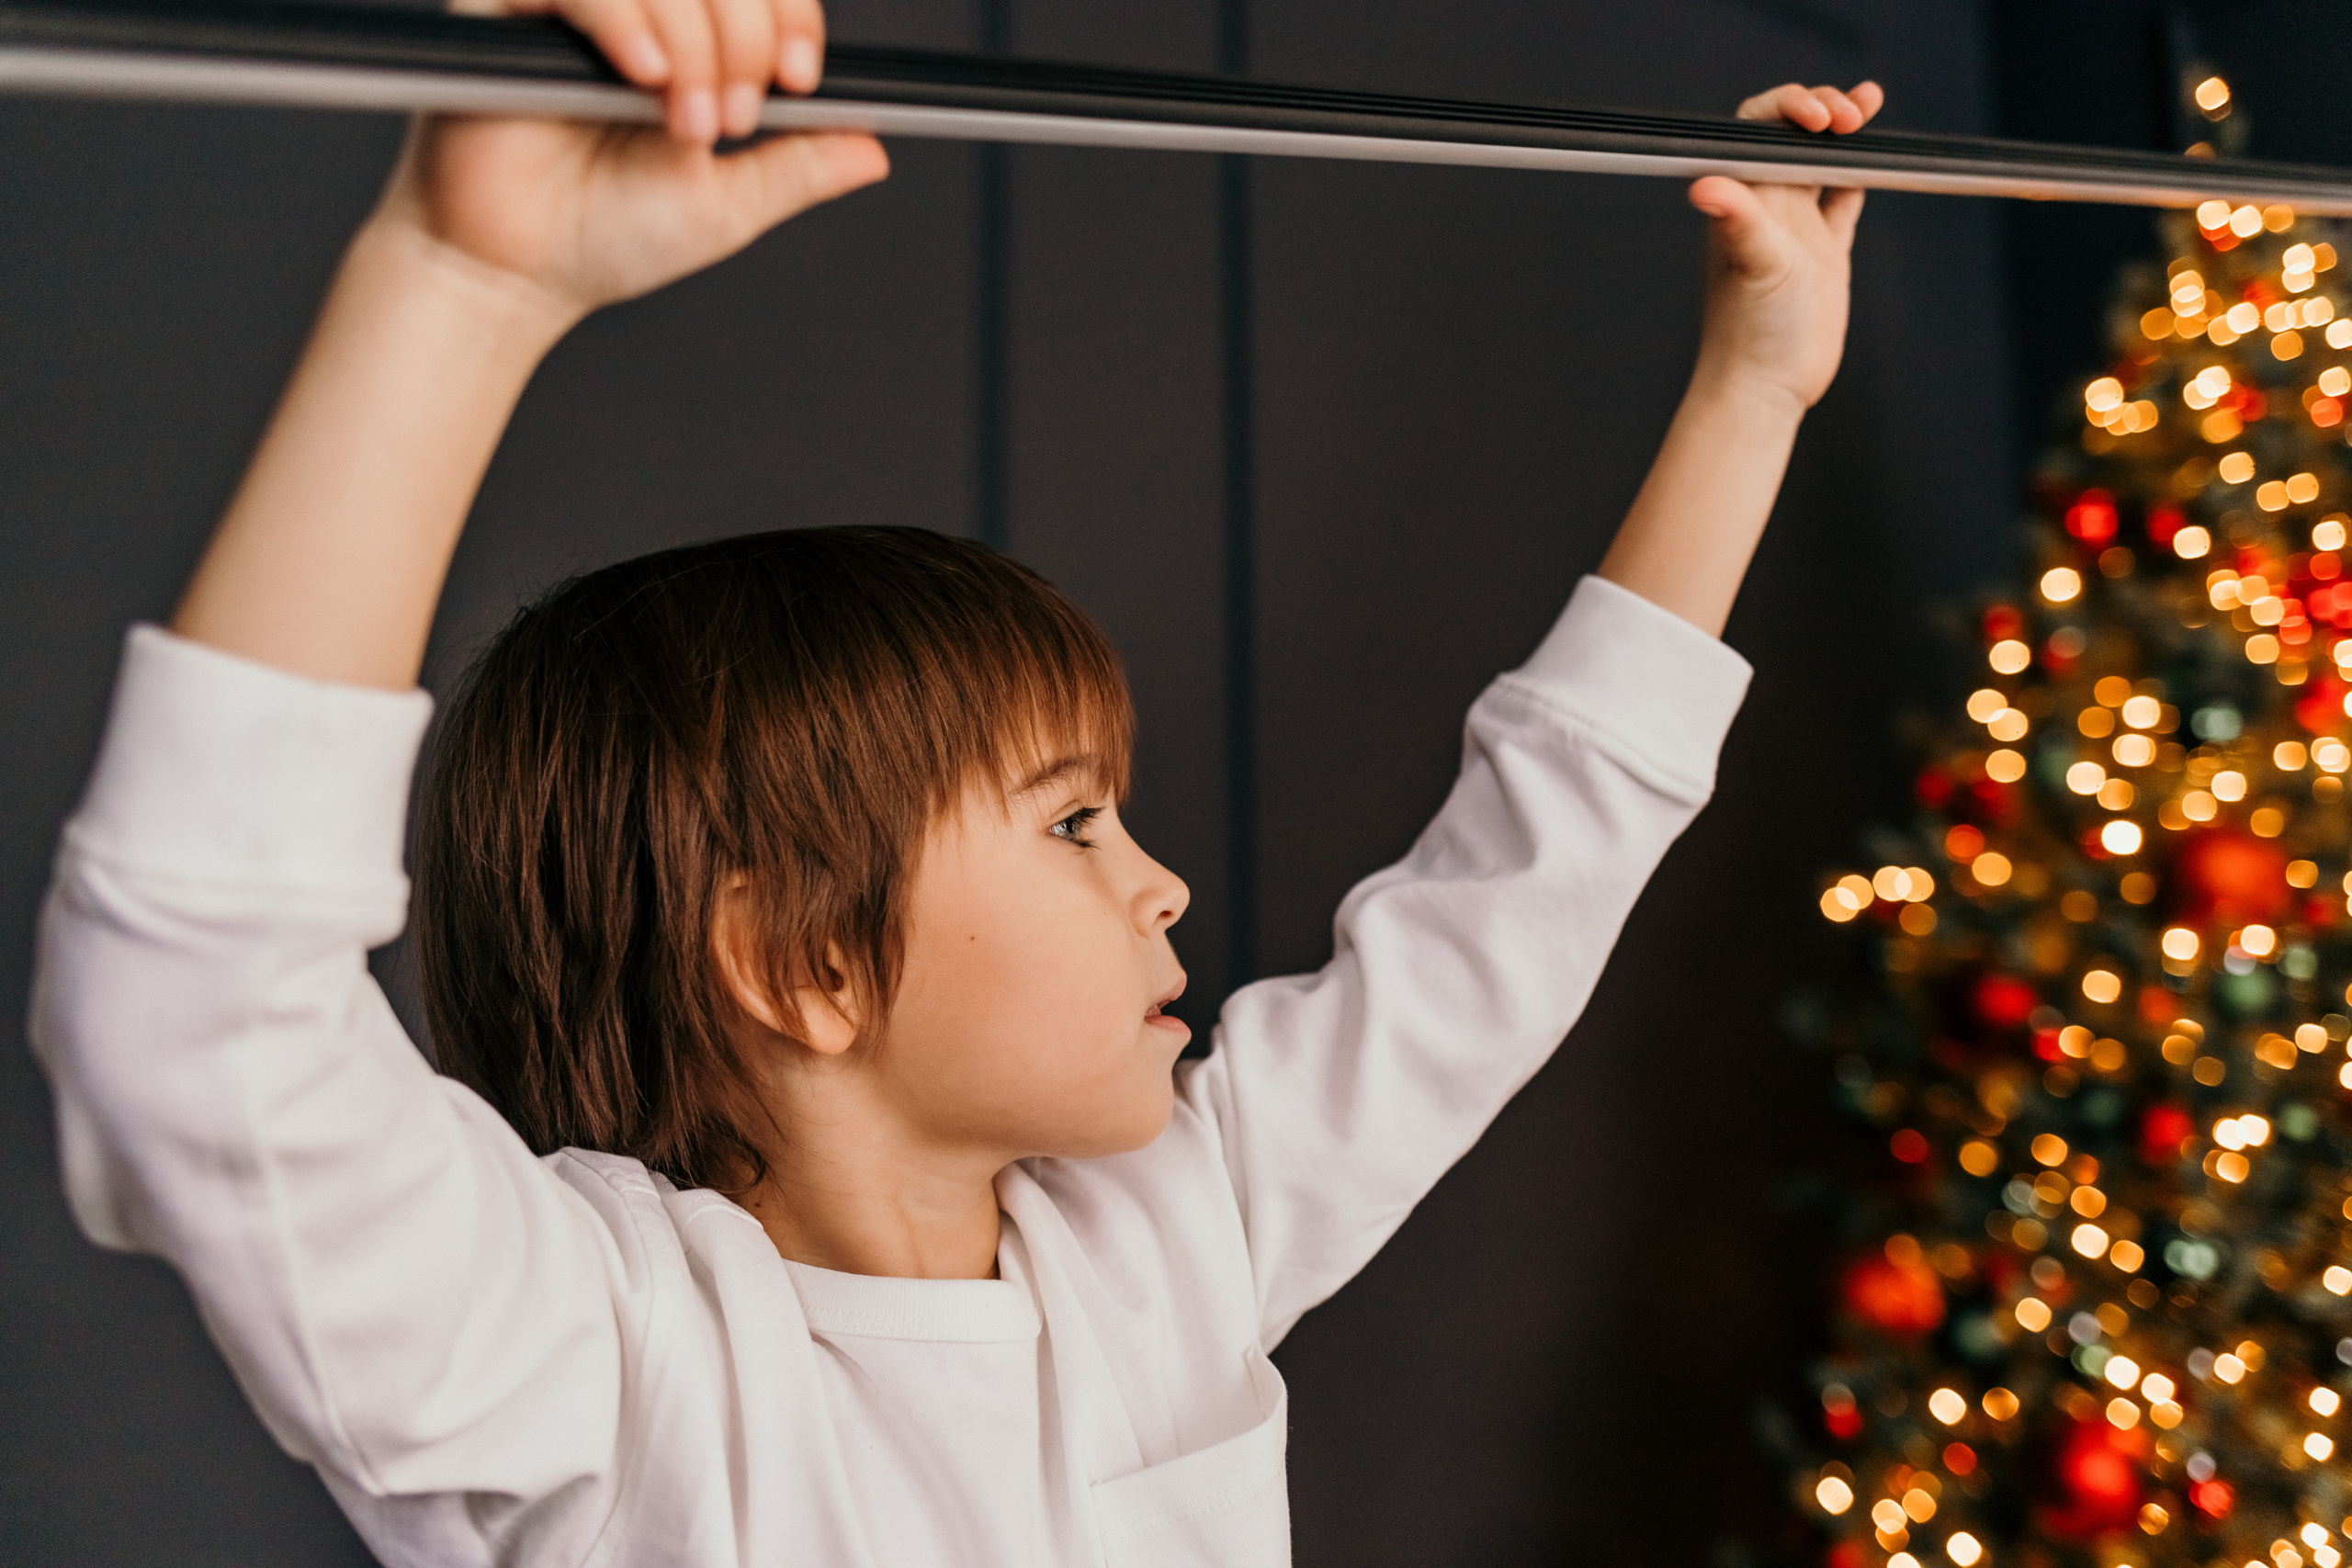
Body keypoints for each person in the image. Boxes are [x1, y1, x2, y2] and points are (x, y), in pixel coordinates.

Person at [28, 0, 1885, 1556]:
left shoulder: (1171, 1237)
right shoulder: (587, 1355)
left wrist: (1752, 387)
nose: (1159, 885)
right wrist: (455, 283)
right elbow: (198, 1002)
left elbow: (1520, 883)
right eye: (1072, 820)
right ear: (800, 962)